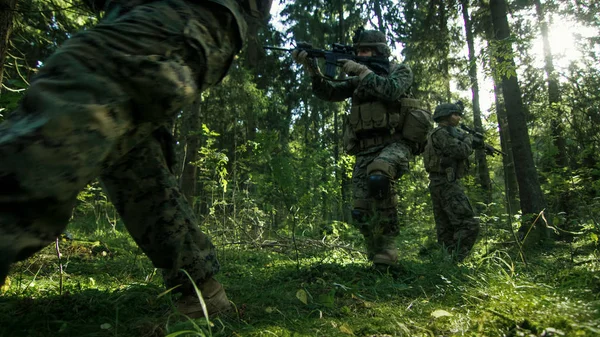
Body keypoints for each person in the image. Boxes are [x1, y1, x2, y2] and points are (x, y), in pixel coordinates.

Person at [0, 0, 271, 318]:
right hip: (149, 14)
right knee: (135, 167)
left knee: (80, 82)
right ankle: (201, 294)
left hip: (183, 10)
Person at [292, 30, 431, 268]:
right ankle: (376, 255)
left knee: (379, 175)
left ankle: (388, 248)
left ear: (378, 51)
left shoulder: (400, 70)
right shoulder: (357, 80)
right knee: (360, 209)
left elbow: (392, 90)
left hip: (395, 142)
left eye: (364, 51)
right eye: (356, 52)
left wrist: (360, 70)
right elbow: (330, 92)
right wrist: (312, 68)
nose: (358, 55)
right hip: (365, 148)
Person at [423, 102, 480, 261]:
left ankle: (447, 265)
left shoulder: (439, 134)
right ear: (446, 116)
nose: (458, 117)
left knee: (446, 229)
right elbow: (459, 151)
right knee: (469, 224)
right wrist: (469, 140)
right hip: (447, 184)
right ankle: (457, 259)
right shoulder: (441, 134)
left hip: (439, 184)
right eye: (455, 114)